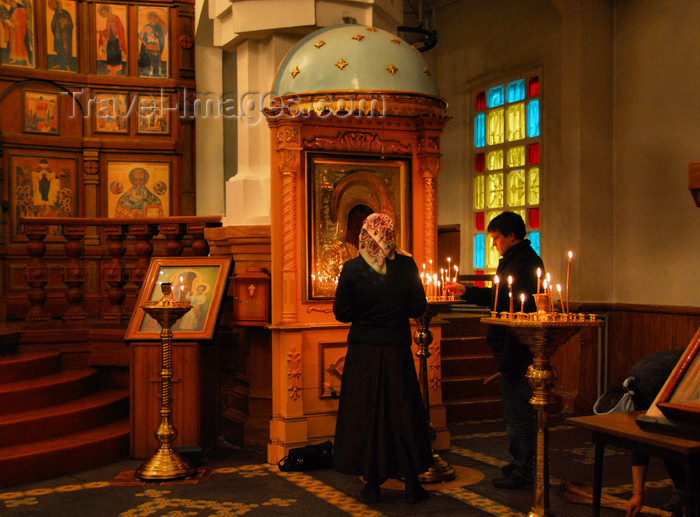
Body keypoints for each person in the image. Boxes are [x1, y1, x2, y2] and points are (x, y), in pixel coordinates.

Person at [332, 212, 433, 504]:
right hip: (397, 352)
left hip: (364, 352)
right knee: (403, 414)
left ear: (365, 233)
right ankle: (412, 482)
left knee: (367, 416)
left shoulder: (353, 268)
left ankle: (372, 484)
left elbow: (342, 314)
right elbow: (417, 307)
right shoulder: (406, 266)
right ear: (390, 235)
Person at [445, 211, 543, 489]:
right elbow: (499, 298)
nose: (494, 244)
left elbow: (516, 315)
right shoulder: (514, 261)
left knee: (519, 413)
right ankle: (519, 462)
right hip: (510, 347)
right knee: (513, 411)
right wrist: (466, 292)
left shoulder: (523, 264)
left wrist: (509, 358)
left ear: (512, 236)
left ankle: (525, 471)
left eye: (497, 238)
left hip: (517, 349)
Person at [624, 348, 685, 517]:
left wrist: (638, 495)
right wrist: (638, 494)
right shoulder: (637, 384)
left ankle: (686, 494)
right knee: (668, 440)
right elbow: (640, 443)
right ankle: (685, 493)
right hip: (664, 379)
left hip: (680, 378)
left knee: (673, 441)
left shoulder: (645, 383)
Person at [97, 4, 125, 75]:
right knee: (110, 54)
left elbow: (120, 27)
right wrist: (101, 32)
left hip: (116, 39)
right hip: (110, 40)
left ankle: (115, 71)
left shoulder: (115, 17)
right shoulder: (108, 19)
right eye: (103, 13)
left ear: (108, 11)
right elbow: (107, 30)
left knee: (115, 54)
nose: (104, 14)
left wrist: (118, 34)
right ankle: (112, 71)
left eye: (104, 12)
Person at [138, 11, 166, 77]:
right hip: (149, 45)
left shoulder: (158, 27)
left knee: (158, 58)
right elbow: (139, 34)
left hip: (156, 44)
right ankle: (150, 72)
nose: (152, 19)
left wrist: (157, 35)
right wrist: (143, 42)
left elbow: (161, 36)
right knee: (150, 59)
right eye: (151, 18)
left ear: (156, 19)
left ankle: (158, 72)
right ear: (149, 19)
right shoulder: (147, 26)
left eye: (153, 18)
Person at [49, 0, 73, 70]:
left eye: (55, 5)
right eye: (53, 5)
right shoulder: (56, 14)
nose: (54, 6)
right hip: (57, 35)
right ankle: (59, 64)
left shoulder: (65, 13)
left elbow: (70, 25)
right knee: (59, 50)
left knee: (65, 50)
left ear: (58, 5)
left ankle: (67, 65)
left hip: (64, 36)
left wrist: (64, 24)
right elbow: (53, 24)